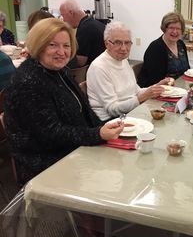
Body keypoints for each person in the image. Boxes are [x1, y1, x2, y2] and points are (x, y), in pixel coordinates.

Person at [4, 18, 124, 185]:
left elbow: (85, 110)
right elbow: (51, 134)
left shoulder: (61, 71)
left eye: (66, 45)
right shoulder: (28, 82)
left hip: (73, 150)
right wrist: (97, 134)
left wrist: (102, 129)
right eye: (52, 45)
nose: (61, 52)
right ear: (38, 45)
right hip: (46, 166)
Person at [87, 21, 172, 121]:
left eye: (127, 43)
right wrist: (141, 98)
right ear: (107, 44)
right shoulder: (99, 67)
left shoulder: (123, 61)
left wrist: (157, 87)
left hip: (130, 113)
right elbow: (112, 109)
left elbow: (136, 91)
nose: (124, 48)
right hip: (111, 121)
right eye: (118, 42)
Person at [137, 12, 190, 87]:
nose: (175, 31)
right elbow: (155, 80)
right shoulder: (156, 48)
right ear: (164, 29)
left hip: (178, 88)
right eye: (171, 28)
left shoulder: (180, 44)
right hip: (158, 91)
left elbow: (187, 70)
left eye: (178, 28)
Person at [59, 0, 106, 67]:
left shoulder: (85, 29)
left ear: (71, 13)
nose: (64, 20)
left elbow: (80, 61)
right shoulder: (94, 24)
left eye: (63, 16)